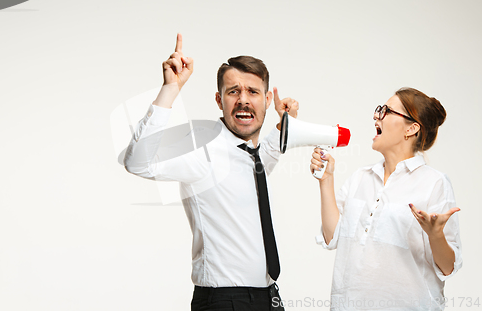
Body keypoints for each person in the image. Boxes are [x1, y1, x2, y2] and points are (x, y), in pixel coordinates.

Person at [124, 34, 298, 311]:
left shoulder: (251, 157)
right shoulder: (201, 150)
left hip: (268, 298)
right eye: (233, 92)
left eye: (252, 92)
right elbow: (138, 162)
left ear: (266, 100)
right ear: (219, 99)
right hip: (224, 302)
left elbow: (266, 154)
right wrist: (170, 89)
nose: (243, 100)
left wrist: (285, 123)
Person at [310, 88, 462, 310]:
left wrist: (436, 234)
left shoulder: (434, 183)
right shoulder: (360, 178)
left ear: (411, 128)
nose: (376, 116)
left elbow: (447, 267)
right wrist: (326, 180)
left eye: (386, 111)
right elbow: (333, 237)